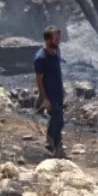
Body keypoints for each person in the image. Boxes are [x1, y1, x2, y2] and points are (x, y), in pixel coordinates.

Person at [34, 26, 65, 158]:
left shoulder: (56, 50)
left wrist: (63, 89)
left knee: (59, 120)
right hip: (49, 94)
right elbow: (39, 80)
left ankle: (56, 146)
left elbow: (57, 72)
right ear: (48, 40)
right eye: (56, 38)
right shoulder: (41, 58)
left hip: (58, 91)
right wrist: (45, 99)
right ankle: (51, 143)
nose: (59, 41)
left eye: (59, 38)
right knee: (58, 118)